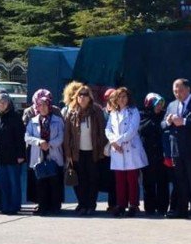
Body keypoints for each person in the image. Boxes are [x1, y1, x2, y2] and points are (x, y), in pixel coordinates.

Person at [162, 78, 191, 219]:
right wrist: (168, 121)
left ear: (188, 89)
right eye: (175, 91)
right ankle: (181, 209)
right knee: (180, 181)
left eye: (180, 90)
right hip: (176, 149)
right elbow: (162, 125)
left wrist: (184, 122)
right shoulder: (171, 105)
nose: (178, 93)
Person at [63, 85, 108, 216]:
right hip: (77, 152)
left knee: (93, 179)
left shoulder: (97, 111)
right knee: (79, 180)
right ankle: (82, 204)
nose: (82, 97)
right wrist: (68, 153)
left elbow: (102, 131)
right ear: (76, 97)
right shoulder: (71, 112)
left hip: (93, 152)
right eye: (80, 95)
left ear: (90, 97)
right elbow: (67, 135)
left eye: (85, 95)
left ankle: (91, 205)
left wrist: (101, 149)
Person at [104, 87, 147, 217]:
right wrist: (113, 141)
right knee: (119, 179)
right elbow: (108, 129)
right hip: (117, 149)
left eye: (124, 97)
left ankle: (133, 205)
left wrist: (119, 141)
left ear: (128, 98)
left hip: (130, 148)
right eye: (119, 97)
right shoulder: (113, 113)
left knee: (132, 179)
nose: (122, 99)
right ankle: (121, 204)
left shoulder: (133, 112)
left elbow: (133, 130)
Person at [0, 92, 26, 215]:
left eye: (5, 102)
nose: (2, 104)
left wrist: (21, 155)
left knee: (14, 183)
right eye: (0, 102)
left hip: (13, 156)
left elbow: (20, 138)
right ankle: (4, 205)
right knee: (2, 183)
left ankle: (14, 206)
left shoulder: (15, 117)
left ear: (9, 103)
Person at [25, 94, 65, 216]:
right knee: (41, 182)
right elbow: (27, 137)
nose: (42, 107)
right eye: (40, 105)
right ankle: (42, 206)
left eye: (45, 105)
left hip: (53, 154)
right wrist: (39, 142)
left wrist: (50, 144)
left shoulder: (57, 120)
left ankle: (55, 206)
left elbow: (61, 136)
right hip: (38, 155)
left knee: (54, 182)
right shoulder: (32, 121)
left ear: (49, 106)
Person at [139, 93, 169, 217]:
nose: (159, 107)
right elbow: (142, 129)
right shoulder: (143, 116)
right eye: (156, 104)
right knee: (148, 182)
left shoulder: (164, 116)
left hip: (161, 155)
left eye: (161, 104)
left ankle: (163, 207)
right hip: (147, 155)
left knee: (163, 181)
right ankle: (150, 207)